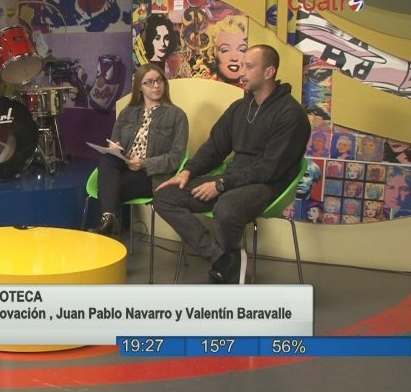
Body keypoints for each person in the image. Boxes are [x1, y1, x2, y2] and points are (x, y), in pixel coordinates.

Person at [155, 45, 310, 284]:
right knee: (165, 196)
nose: (241, 71)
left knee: (226, 208)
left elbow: (269, 169)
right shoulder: (239, 108)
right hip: (233, 179)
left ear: (269, 72)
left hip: (267, 185)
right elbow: (215, 147)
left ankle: (228, 266)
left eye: (249, 66)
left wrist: (221, 184)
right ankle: (224, 260)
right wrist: (188, 171)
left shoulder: (291, 114)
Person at [88, 63, 188, 234]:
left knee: (107, 188)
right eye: (149, 82)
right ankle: (110, 222)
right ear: (140, 87)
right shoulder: (127, 113)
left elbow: (176, 157)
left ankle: (108, 223)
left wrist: (145, 163)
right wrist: (115, 148)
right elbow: (115, 142)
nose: (156, 86)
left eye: (159, 80)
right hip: (125, 167)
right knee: (107, 158)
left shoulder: (177, 115)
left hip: (151, 175)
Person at [201, 15, 248, 85]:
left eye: (241, 50)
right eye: (225, 50)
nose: (234, 58)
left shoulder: (256, 90)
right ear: (213, 54)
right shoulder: (203, 87)